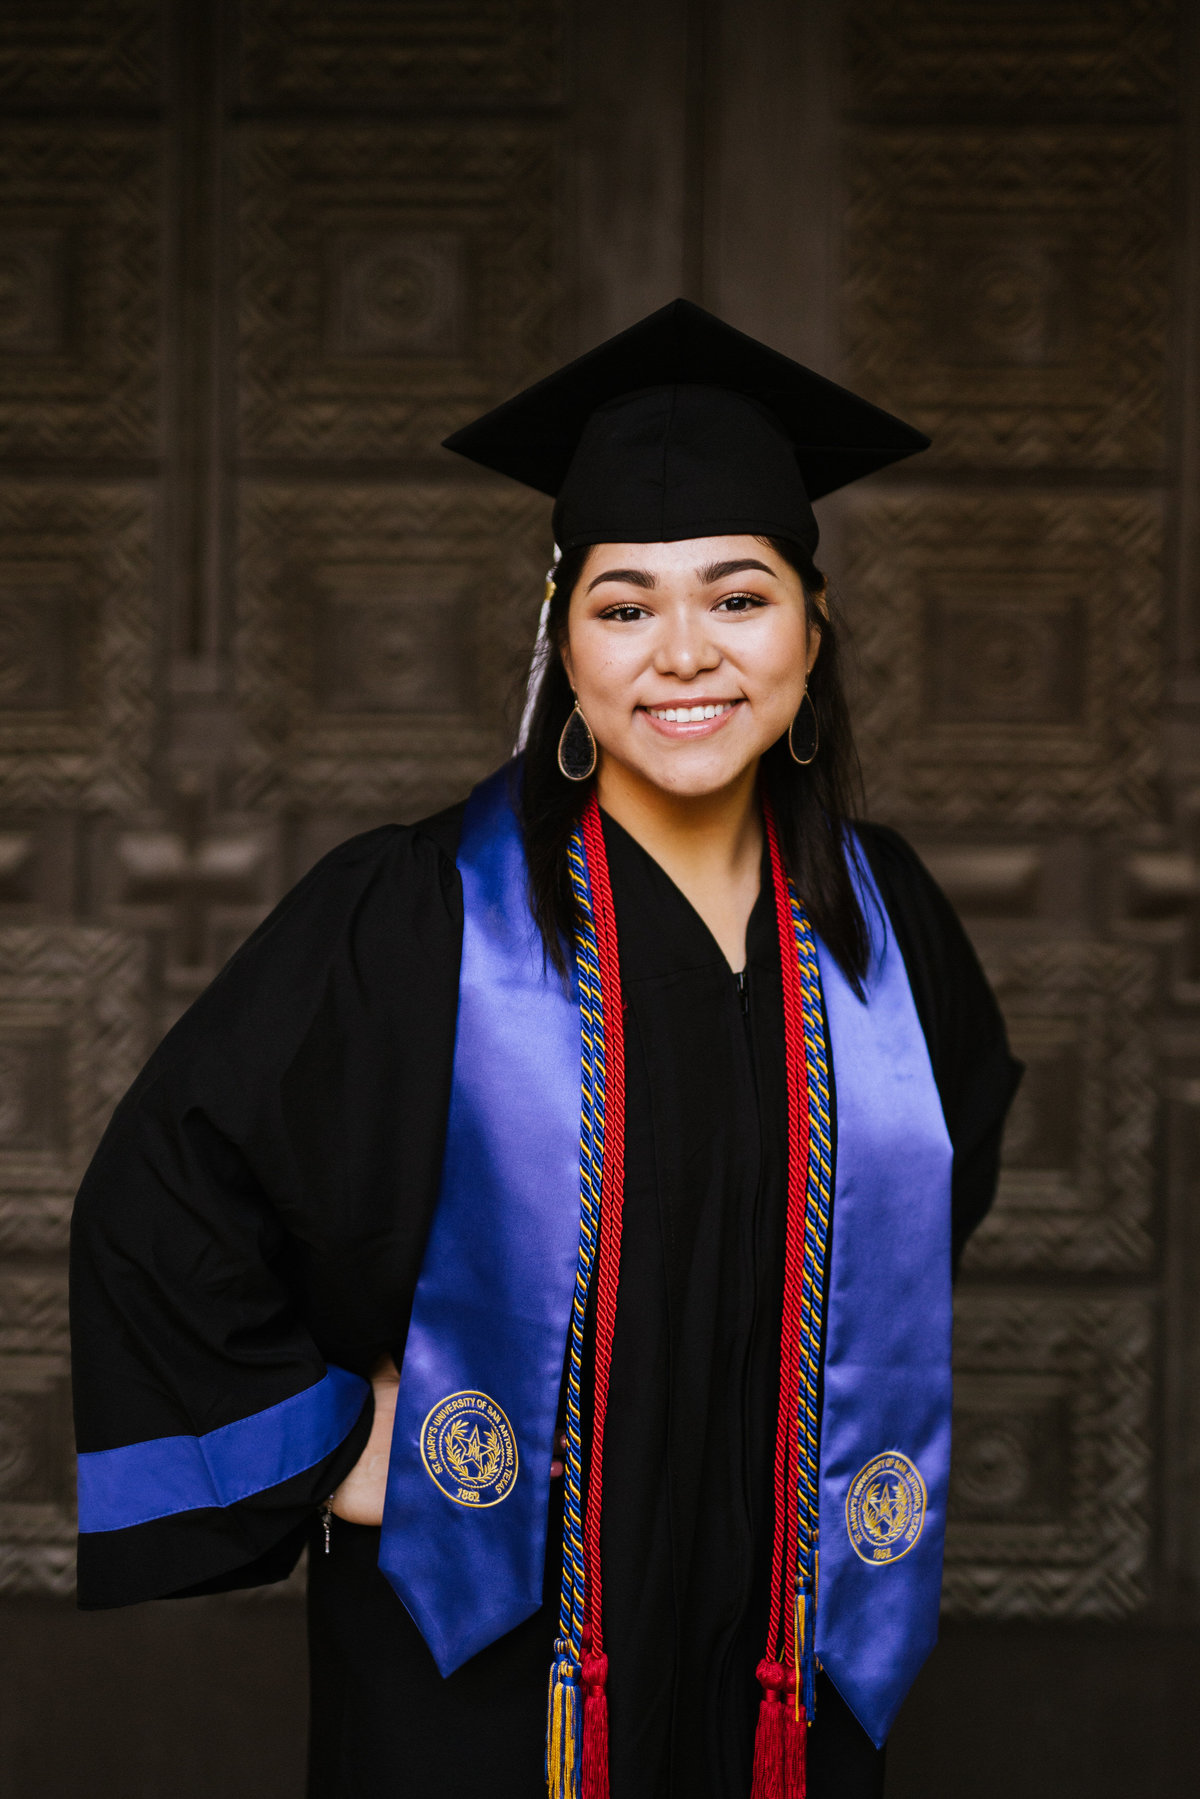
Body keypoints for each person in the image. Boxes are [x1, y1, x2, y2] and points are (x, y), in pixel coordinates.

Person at [70, 300, 1021, 1799]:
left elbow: (939, 1175)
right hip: (492, 1627)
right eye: (626, 606)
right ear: (563, 643)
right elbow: (165, 1194)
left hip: (785, 1608)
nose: (685, 655)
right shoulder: (418, 913)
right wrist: (335, 1443)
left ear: (813, 628)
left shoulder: (884, 921)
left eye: (740, 597)